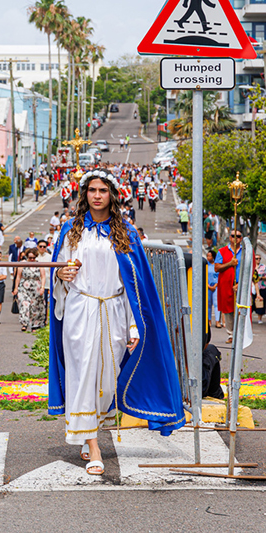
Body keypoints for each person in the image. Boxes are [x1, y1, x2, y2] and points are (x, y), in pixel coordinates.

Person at [49, 169, 185, 476]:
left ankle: (89, 430)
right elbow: (58, 270)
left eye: (103, 190)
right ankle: (94, 445)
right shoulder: (71, 229)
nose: (97, 195)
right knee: (83, 373)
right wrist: (61, 275)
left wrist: (135, 326)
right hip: (80, 309)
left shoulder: (125, 232)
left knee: (106, 379)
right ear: (84, 194)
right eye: (92, 190)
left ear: (112, 195)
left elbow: (135, 285)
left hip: (114, 311)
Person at [215, 232, 243, 343]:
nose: (235, 238)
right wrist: (230, 264)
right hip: (227, 284)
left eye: (238, 236)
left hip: (240, 283)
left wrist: (240, 283)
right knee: (228, 310)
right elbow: (217, 267)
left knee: (241, 308)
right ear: (229, 238)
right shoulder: (222, 251)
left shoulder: (244, 252)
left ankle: (240, 333)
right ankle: (231, 333)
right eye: (233, 236)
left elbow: (248, 268)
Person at [13, 248, 46, 332]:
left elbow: (43, 276)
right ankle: (24, 323)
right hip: (24, 286)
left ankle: (34, 325)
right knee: (24, 304)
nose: (32, 259)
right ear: (27, 256)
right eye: (30, 258)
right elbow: (18, 277)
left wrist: (42, 287)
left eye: (33, 258)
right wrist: (16, 288)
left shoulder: (39, 264)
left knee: (35, 306)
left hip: (36, 287)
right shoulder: (22, 264)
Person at [207, 250, 221, 330]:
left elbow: (219, 276)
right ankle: (209, 320)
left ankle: (217, 321)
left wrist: (215, 285)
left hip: (216, 286)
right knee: (208, 304)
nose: (208, 257)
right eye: (207, 256)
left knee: (216, 304)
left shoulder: (216, 265)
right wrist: (208, 285)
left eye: (210, 256)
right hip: (208, 286)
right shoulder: (206, 265)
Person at [255, 255, 266, 325]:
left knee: (261, 303)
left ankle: (259, 318)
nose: (258, 260)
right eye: (257, 258)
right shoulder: (251, 266)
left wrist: (261, 278)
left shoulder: (263, 267)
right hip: (252, 287)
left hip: (262, 286)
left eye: (259, 258)